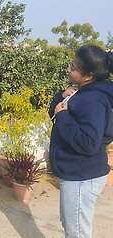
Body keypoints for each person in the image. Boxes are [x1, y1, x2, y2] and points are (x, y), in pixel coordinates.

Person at [49, 45, 113, 238]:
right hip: (76, 174)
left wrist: (64, 117)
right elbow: (56, 112)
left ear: (88, 76)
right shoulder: (82, 92)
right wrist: (61, 97)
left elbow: (88, 142)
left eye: (74, 67)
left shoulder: (93, 100)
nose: (69, 69)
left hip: (82, 178)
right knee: (71, 226)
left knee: (77, 233)